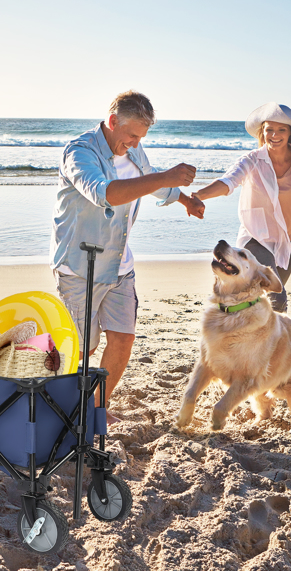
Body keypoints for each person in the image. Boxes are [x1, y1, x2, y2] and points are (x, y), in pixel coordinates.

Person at [50, 90, 204, 423]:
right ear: (112, 121)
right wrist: (164, 177)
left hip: (120, 263)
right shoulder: (79, 153)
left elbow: (150, 183)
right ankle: (61, 409)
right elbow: (105, 194)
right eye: (132, 135)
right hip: (80, 266)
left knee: (123, 340)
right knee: (82, 350)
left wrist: (183, 199)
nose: (135, 143)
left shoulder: (133, 150)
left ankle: (94, 410)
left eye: (141, 137)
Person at [189, 102, 291, 312]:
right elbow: (229, 182)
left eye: (281, 129)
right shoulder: (252, 160)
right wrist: (198, 196)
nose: (274, 135)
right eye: (269, 129)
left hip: (289, 240)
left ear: (290, 133)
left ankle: (251, 336)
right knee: (276, 299)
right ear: (262, 131)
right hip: (257, 238)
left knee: (264, 301)